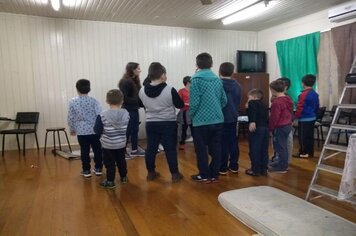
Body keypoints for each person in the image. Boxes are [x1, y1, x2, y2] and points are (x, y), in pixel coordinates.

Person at [138, 62, 184, 183]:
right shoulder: (170, 90)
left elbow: (140, 104)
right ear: (163, 75)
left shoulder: (142, 90)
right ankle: (174, 174)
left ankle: (151, 173)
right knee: (170, 149)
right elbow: (180, 105)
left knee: (151, 148)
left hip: (151, 123)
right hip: (168, 123)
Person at [189, 52, 227, 183]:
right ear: (211, 64)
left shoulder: (195, 80)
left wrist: (191, 115)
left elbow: (194, 102)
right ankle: (214, 174)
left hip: (201, 120)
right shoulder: (218, 79)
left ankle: (204, 175)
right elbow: (224, 100)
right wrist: (215, 110)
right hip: (218, 119)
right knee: (216, 147)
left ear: (197, 64)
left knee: (201, 149)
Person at [94, 89, 130, 189]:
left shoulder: (102, 115)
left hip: (108, 145)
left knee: (109, 163)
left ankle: (110, 181)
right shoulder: (126, 113)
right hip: (121, 143)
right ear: (122, 101)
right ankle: (124, 177)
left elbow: (97, 130)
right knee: (121, 160)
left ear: (107, 101)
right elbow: (129, 128)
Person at [67, 79, 103, 178]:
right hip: (94, 130)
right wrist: (101, 128)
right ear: (89, 88)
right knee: (97, 150)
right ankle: (99, 168)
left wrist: (72, 129)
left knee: (84, 150)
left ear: (77, 89)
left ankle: (86, 170)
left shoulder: (73, 102)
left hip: (81, 132)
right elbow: (100, 115)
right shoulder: (94, 100)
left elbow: (70, 117)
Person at [218, 62, 241, 175]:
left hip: (220, 118)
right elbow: (238, 101)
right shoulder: (237, 85)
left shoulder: (218, 84)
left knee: (222, 143)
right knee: (233, 141)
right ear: (232, 72)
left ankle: (222, 167)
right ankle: (234, 166)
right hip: (233, 117)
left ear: (219, 72)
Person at [118, 62, 145, 157]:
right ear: (132, 70)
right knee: (128, 130)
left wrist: (144, 104)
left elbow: (139, 96)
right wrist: (138, 102)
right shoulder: (125, 81)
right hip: (128, 109)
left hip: (134, 109)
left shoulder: (135, 81)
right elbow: (124, 98)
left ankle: (134, 149)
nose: (140, 70)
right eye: (138, 68)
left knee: (135, 130)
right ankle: (123, 151)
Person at [268, 80, 293, 173]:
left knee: (280, 147)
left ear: (273, 90)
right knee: (284, 147)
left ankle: (282, 167)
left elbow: (274, 117)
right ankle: (282, 163)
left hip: (280, 127)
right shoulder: (288, 99)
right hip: (287, 125)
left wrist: (271, 129)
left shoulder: (277, 102)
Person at [293, 74, 319, 158]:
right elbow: (317, 106)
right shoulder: (315, 93)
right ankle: (310, 152)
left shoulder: (303, 94)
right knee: (310, 136)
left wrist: (296, 117)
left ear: (303, 83)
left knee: (302, 137)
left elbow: (300, 107)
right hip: (312, 117)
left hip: (304, 119)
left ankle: (303, 153)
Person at [245, 89, 269, 176]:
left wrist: (252, 121)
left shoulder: (252, 103)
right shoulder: (264, 104)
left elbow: (252, 112)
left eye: (249, 97)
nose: (248, 99)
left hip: (257, 128)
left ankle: (255, 170)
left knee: (254, 149)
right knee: (263, 149)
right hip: (265, 128)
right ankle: (264, 169)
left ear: (254, 97)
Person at [177, 76, 192, 150]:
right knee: (184, 128)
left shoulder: (194, 91)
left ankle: (197, 143)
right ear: (188, 83)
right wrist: (187, 104)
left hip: (193, 111)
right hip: (185, 112)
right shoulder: (181, 91)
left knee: (194, 128)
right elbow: (179, 102)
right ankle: (182, 143)